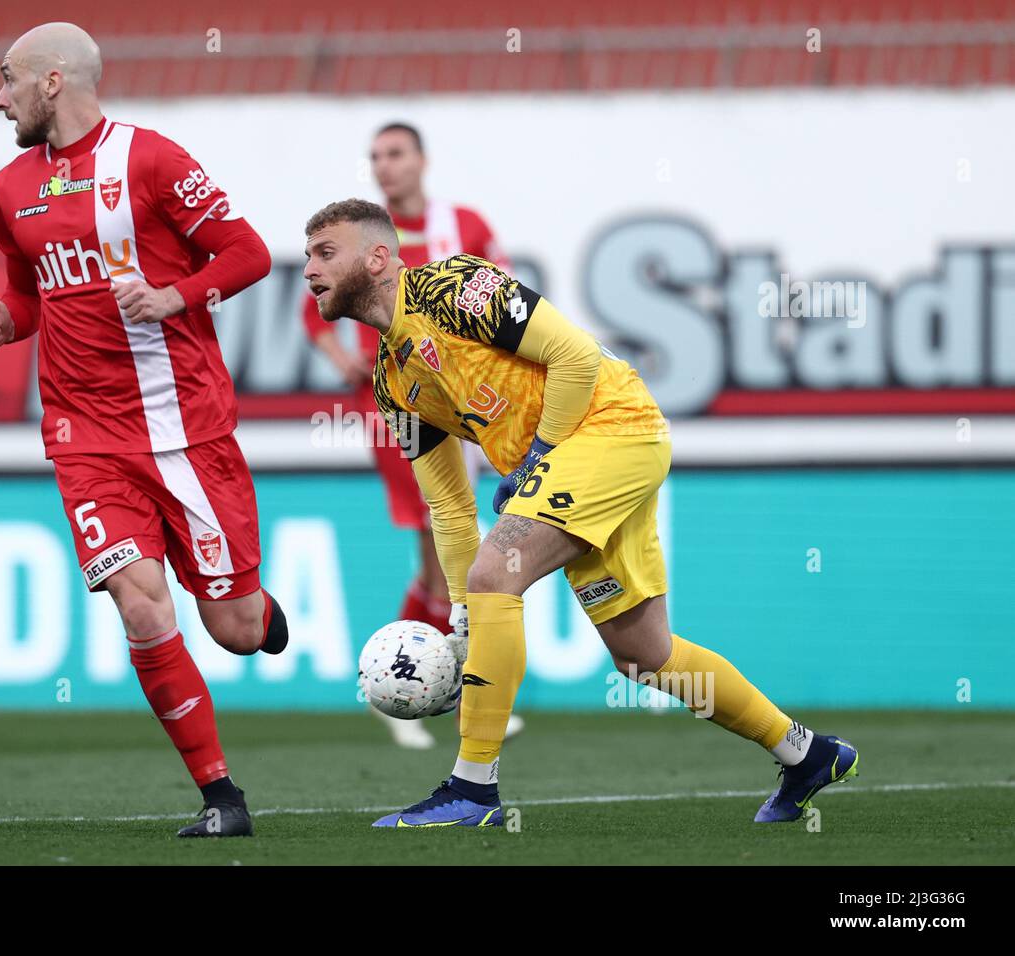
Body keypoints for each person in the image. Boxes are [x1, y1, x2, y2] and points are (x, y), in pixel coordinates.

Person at [302, 198, 860, 828]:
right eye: (307, 256)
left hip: (611, 427)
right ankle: (806, 754)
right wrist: (463, 621)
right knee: (641, 654)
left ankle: (471, 790)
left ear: (379, 258)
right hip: (573, 465)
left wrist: (535, 458)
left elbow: (575, 356)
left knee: (497, 574)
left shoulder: (452, 285)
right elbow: (450, 505)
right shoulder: (390, 382)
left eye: (325, 253)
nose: (309, 270)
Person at [0, 22, 286, 838]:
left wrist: (177, 296)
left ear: (51, 82)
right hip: (84, 439)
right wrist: (3, 323)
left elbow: (246, 254)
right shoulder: (10, 186)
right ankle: (223, 798)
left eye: (8, 81)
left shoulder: (151, 160)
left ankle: (256, 609)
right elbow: (31, 293)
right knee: (143, 611)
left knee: (236, 630)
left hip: (186, 430)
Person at [302, 123, 519, 749]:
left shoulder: (464, 227)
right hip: (404, 407)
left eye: (395, 154)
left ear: (422, 160)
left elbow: (498, 300)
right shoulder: (359, 240)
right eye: (374, 157)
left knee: (457, 547)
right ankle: (412, 684)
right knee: (439, 545)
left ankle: (441, 681)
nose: (384, 166)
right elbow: (309, 313)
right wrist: (339, 356)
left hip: (473, 405)